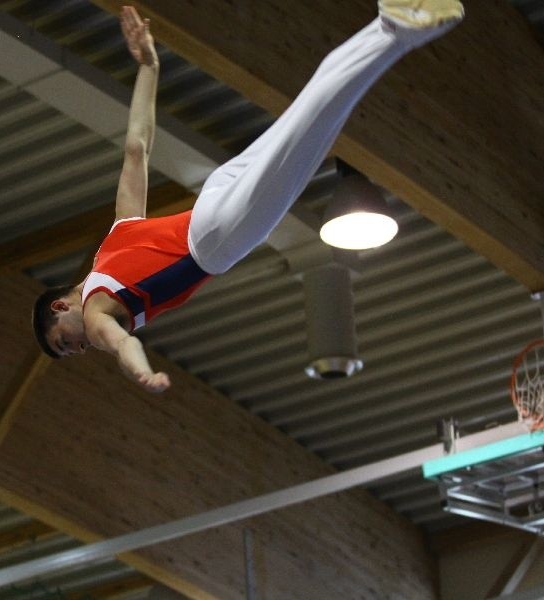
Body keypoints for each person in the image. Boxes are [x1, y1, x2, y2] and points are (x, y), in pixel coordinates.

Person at [32, 2, 464, 392]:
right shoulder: (112, 244)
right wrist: (149, 66)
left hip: (216, 239)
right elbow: (135, 149)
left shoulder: (93, 314)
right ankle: (389, 25)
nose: (81, 347)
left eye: (65, 343)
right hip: (213, 198)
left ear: (60, 306)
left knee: (314, 126)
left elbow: (122, 343)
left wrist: (141, 372)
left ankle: (396, 31)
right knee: (305, 116)